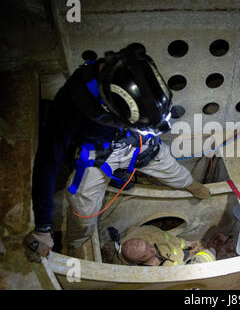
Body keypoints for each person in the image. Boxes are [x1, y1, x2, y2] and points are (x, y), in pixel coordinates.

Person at [23, 43, 211, 262]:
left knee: (168, 164)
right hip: (96, 155)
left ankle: (189, 183)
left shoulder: (137, 72)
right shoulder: (73, 102)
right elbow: (48, 163)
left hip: (134, 140)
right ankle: (76, 244)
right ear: (110, 110)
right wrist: (43, 227)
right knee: (83, 208)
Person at [118, 225, 216, 266]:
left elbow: (170, 238)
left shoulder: (147, 234)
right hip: (181, 269)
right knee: (210, 254)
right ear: (139, 261)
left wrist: (186, 244)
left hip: (179, 255)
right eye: (149, 252)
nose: (153, 249)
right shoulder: (157, 274)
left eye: (148, 245)